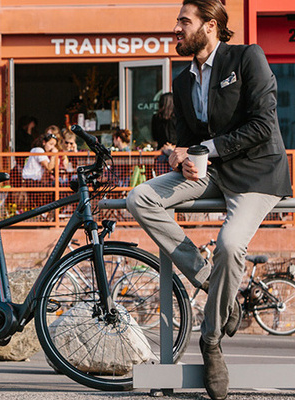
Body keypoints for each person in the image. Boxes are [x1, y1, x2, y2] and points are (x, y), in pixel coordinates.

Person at [126, 1, 291, 399]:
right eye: (177, 21)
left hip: (256, 171)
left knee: (231, 245)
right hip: (211, 172)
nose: (176, 28)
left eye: (184, 21)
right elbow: (188, 142)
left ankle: (212, 341)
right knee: (140, 198)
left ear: (210, 26)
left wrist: (203, 148)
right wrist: (175, 155)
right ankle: (218, 289)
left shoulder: (247, 57)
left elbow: (264, 124)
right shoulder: (181, 81)